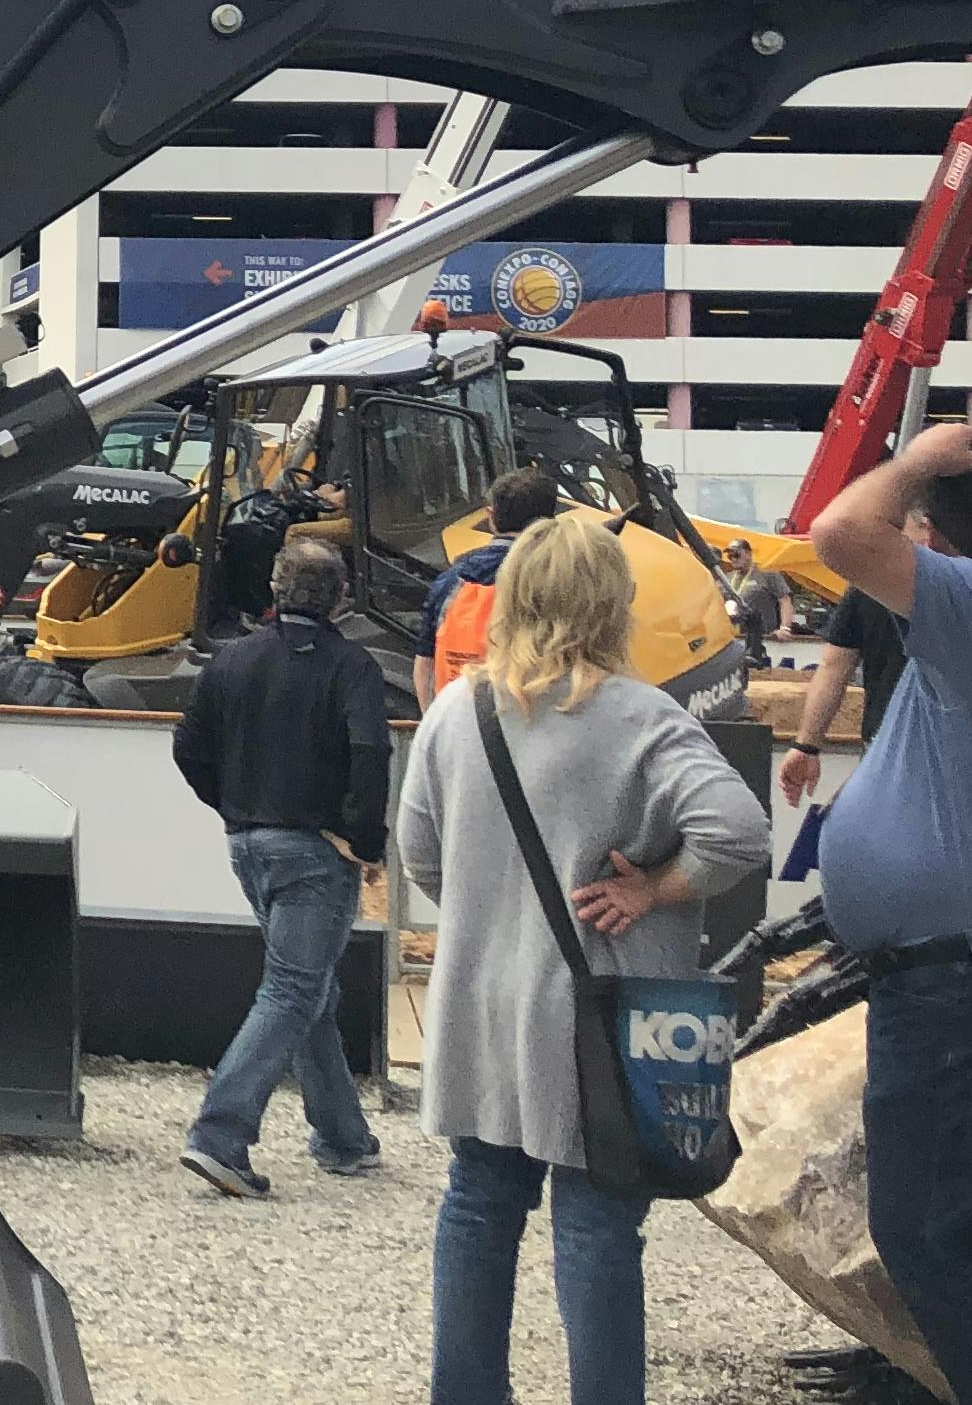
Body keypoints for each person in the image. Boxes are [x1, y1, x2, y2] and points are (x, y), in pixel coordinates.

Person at [398, 515, 771, 1405]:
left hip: (482, 1009)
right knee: (600, 1226)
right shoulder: (643, 717)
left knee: (479, 1207)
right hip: (600, 1018)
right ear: (614, 603)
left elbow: (419, 855)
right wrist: (655, 890)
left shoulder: (458, 709)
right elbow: (741, 831)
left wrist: (500, 915)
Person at [804, 424, 972, 1392]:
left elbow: (838, 530)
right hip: (935, 969)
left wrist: (923, 452)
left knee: (920, 1220)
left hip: (945, 975)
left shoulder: (961, 600)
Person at [173, 537, 388, 1196]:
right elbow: (370, 753)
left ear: (274, 586)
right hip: (316, 850)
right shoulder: (352, 667)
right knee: (293, 991)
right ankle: (220, 1137)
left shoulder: (231, 660)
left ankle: (344, 1139)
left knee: (309, 989)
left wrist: (233, 806)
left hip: (247, 842)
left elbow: (189, 748)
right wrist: (364, 840)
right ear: (341, 596)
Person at [786, 506, 923, 809]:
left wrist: (806, 744)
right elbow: (833, 668)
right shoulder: (958, 584)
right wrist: (805, 744)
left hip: (885, 747)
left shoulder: (868, 585)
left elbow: (834, 667)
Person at [418, 465, 563, 703]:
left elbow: (425, 664)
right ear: (550, 520)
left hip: (464, 722)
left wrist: (433, 724)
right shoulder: (563, 576)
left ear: (491, 516)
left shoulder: (451, 580)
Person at [722, 540, 794, 652]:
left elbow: (785, 600)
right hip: (736, 637)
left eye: (736, 554)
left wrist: (784, 628)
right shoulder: (727, 578)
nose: (733, 559)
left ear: (748, 554)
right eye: (730, 556)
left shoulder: (767, 574)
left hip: (764, 637)